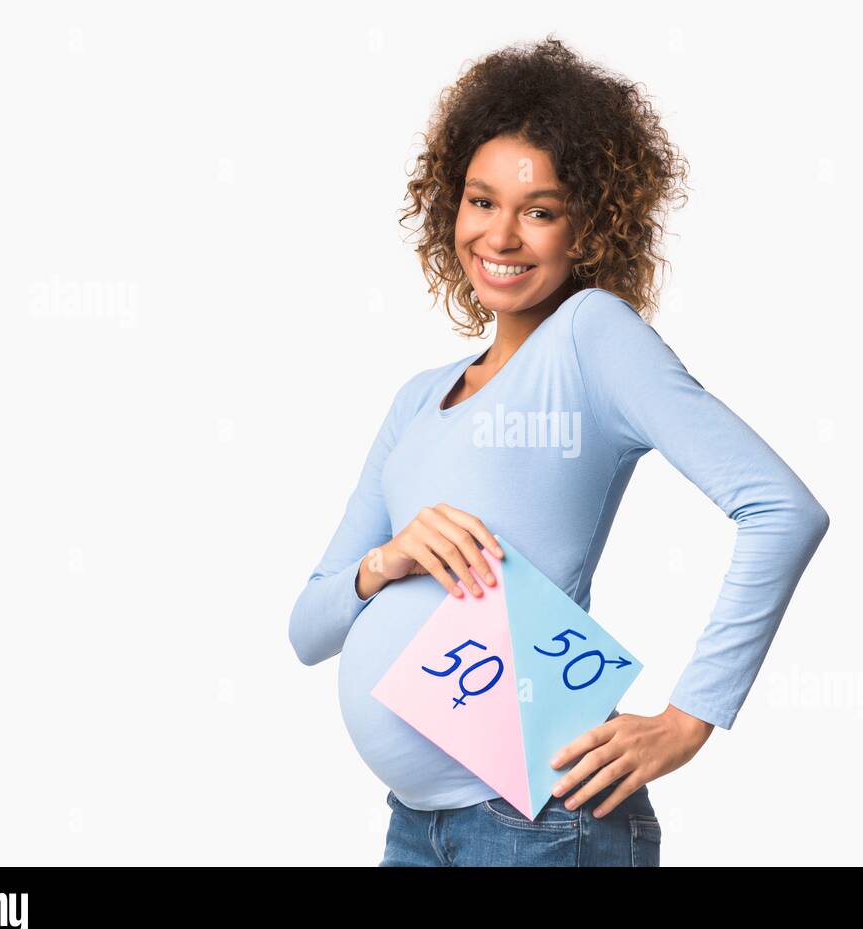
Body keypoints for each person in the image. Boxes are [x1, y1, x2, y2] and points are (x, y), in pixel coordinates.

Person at [288, 36, 830, 866]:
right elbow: (307, 627)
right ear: (450, 209)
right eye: (480, 201)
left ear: (590, 224)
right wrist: (386, 561)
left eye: (539, 210)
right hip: (415, 826)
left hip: (539, 820)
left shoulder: (589, 337)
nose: (501, 236)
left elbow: (781, 509)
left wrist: (689, 718)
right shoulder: (417, 398)